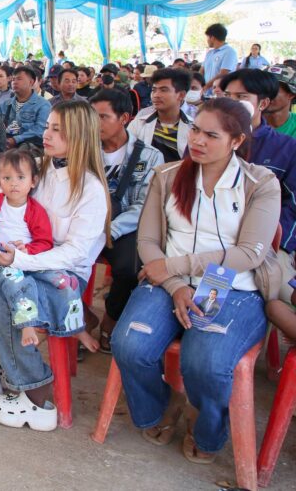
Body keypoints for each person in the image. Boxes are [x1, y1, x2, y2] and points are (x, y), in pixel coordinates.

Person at [112, 98, 281, 464]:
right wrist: (176, 285)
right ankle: (162, 406)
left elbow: (249, 254)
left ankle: (206, 427)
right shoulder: (168, 175)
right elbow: (148, 241)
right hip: (168, 281)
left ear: (237, 141)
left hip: (229, 284)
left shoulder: (260, 183)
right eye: (195, 131)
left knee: (206, 361)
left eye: (211, 135)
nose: (198, 141)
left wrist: (176, 267)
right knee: (129, 344)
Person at [0, 101, 110, 432]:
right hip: (13, 263)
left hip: (60, 275)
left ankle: (35, 391)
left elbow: (75, 253)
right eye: (48, 126)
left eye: (56, 130)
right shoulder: (37, 167)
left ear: (79, 136)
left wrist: (19, 259)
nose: (46, 134)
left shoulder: (91, 189)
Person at [0, 149, 97, 353]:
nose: (13, 184)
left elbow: (44, 242)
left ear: (33, 182)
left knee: (64, 281)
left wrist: (27, 249)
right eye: (7, 178)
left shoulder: (35, 210)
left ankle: (76, 327)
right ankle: (27, 324)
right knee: (17, 284)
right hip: (0, 262)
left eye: (20, 178)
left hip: (29, 260)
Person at [89, 88, 164, 351]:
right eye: (92, 117)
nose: (95, 124)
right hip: (86, 223)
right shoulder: (83, 149)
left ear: (124, 118)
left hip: (124, 225)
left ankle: (111, 317)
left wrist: (110, 230)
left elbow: (143, 206)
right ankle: (79, 320)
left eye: (103, 117)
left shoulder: (149, 156)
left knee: (130, 268)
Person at [220, 68, 296, 259]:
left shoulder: (286, 148)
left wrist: (277, 245)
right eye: (227, 95)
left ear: (263, 103)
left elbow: (293, 203)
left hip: (266, 243)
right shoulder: (203, 140)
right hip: (208, 236)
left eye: (241, 96)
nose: (231, 102)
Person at [128, 68, 192, 163]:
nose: (156, 95)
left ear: (181, 95)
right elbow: (128, 157)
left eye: (163, 90)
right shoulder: (138, 124)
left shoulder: (193, 128)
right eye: (154, 90)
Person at [0, 66, 51, 151]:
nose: (14, 82)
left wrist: (15, 140)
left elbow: (40, 130)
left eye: (19, 79)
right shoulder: (5, 104)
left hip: (28, 147)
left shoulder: (43, 105)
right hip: (5, 143)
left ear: (31, 82)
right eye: (13, 79)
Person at [201, 22, 238, 91]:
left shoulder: (229, 52)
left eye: (207, 37)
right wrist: (199, 85)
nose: (207, 40)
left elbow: (223, 74)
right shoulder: (209, 53)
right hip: (205, 92)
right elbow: (202, 70)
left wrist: (206, 87)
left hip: (220, 92)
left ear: (212, 37)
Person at [265, 66, 296, 139]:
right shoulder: (246, 123)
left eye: (273, 90)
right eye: (261, 88)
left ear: (291, 95)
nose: (265, 94)